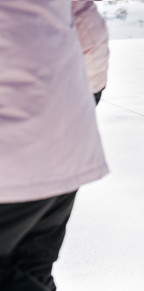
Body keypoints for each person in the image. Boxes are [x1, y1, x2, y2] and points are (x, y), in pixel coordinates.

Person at [0, 1, 109, 290]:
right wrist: (87, 98)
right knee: (30, 269)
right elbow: (89, 29)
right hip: (65, 140)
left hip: (11, 156)